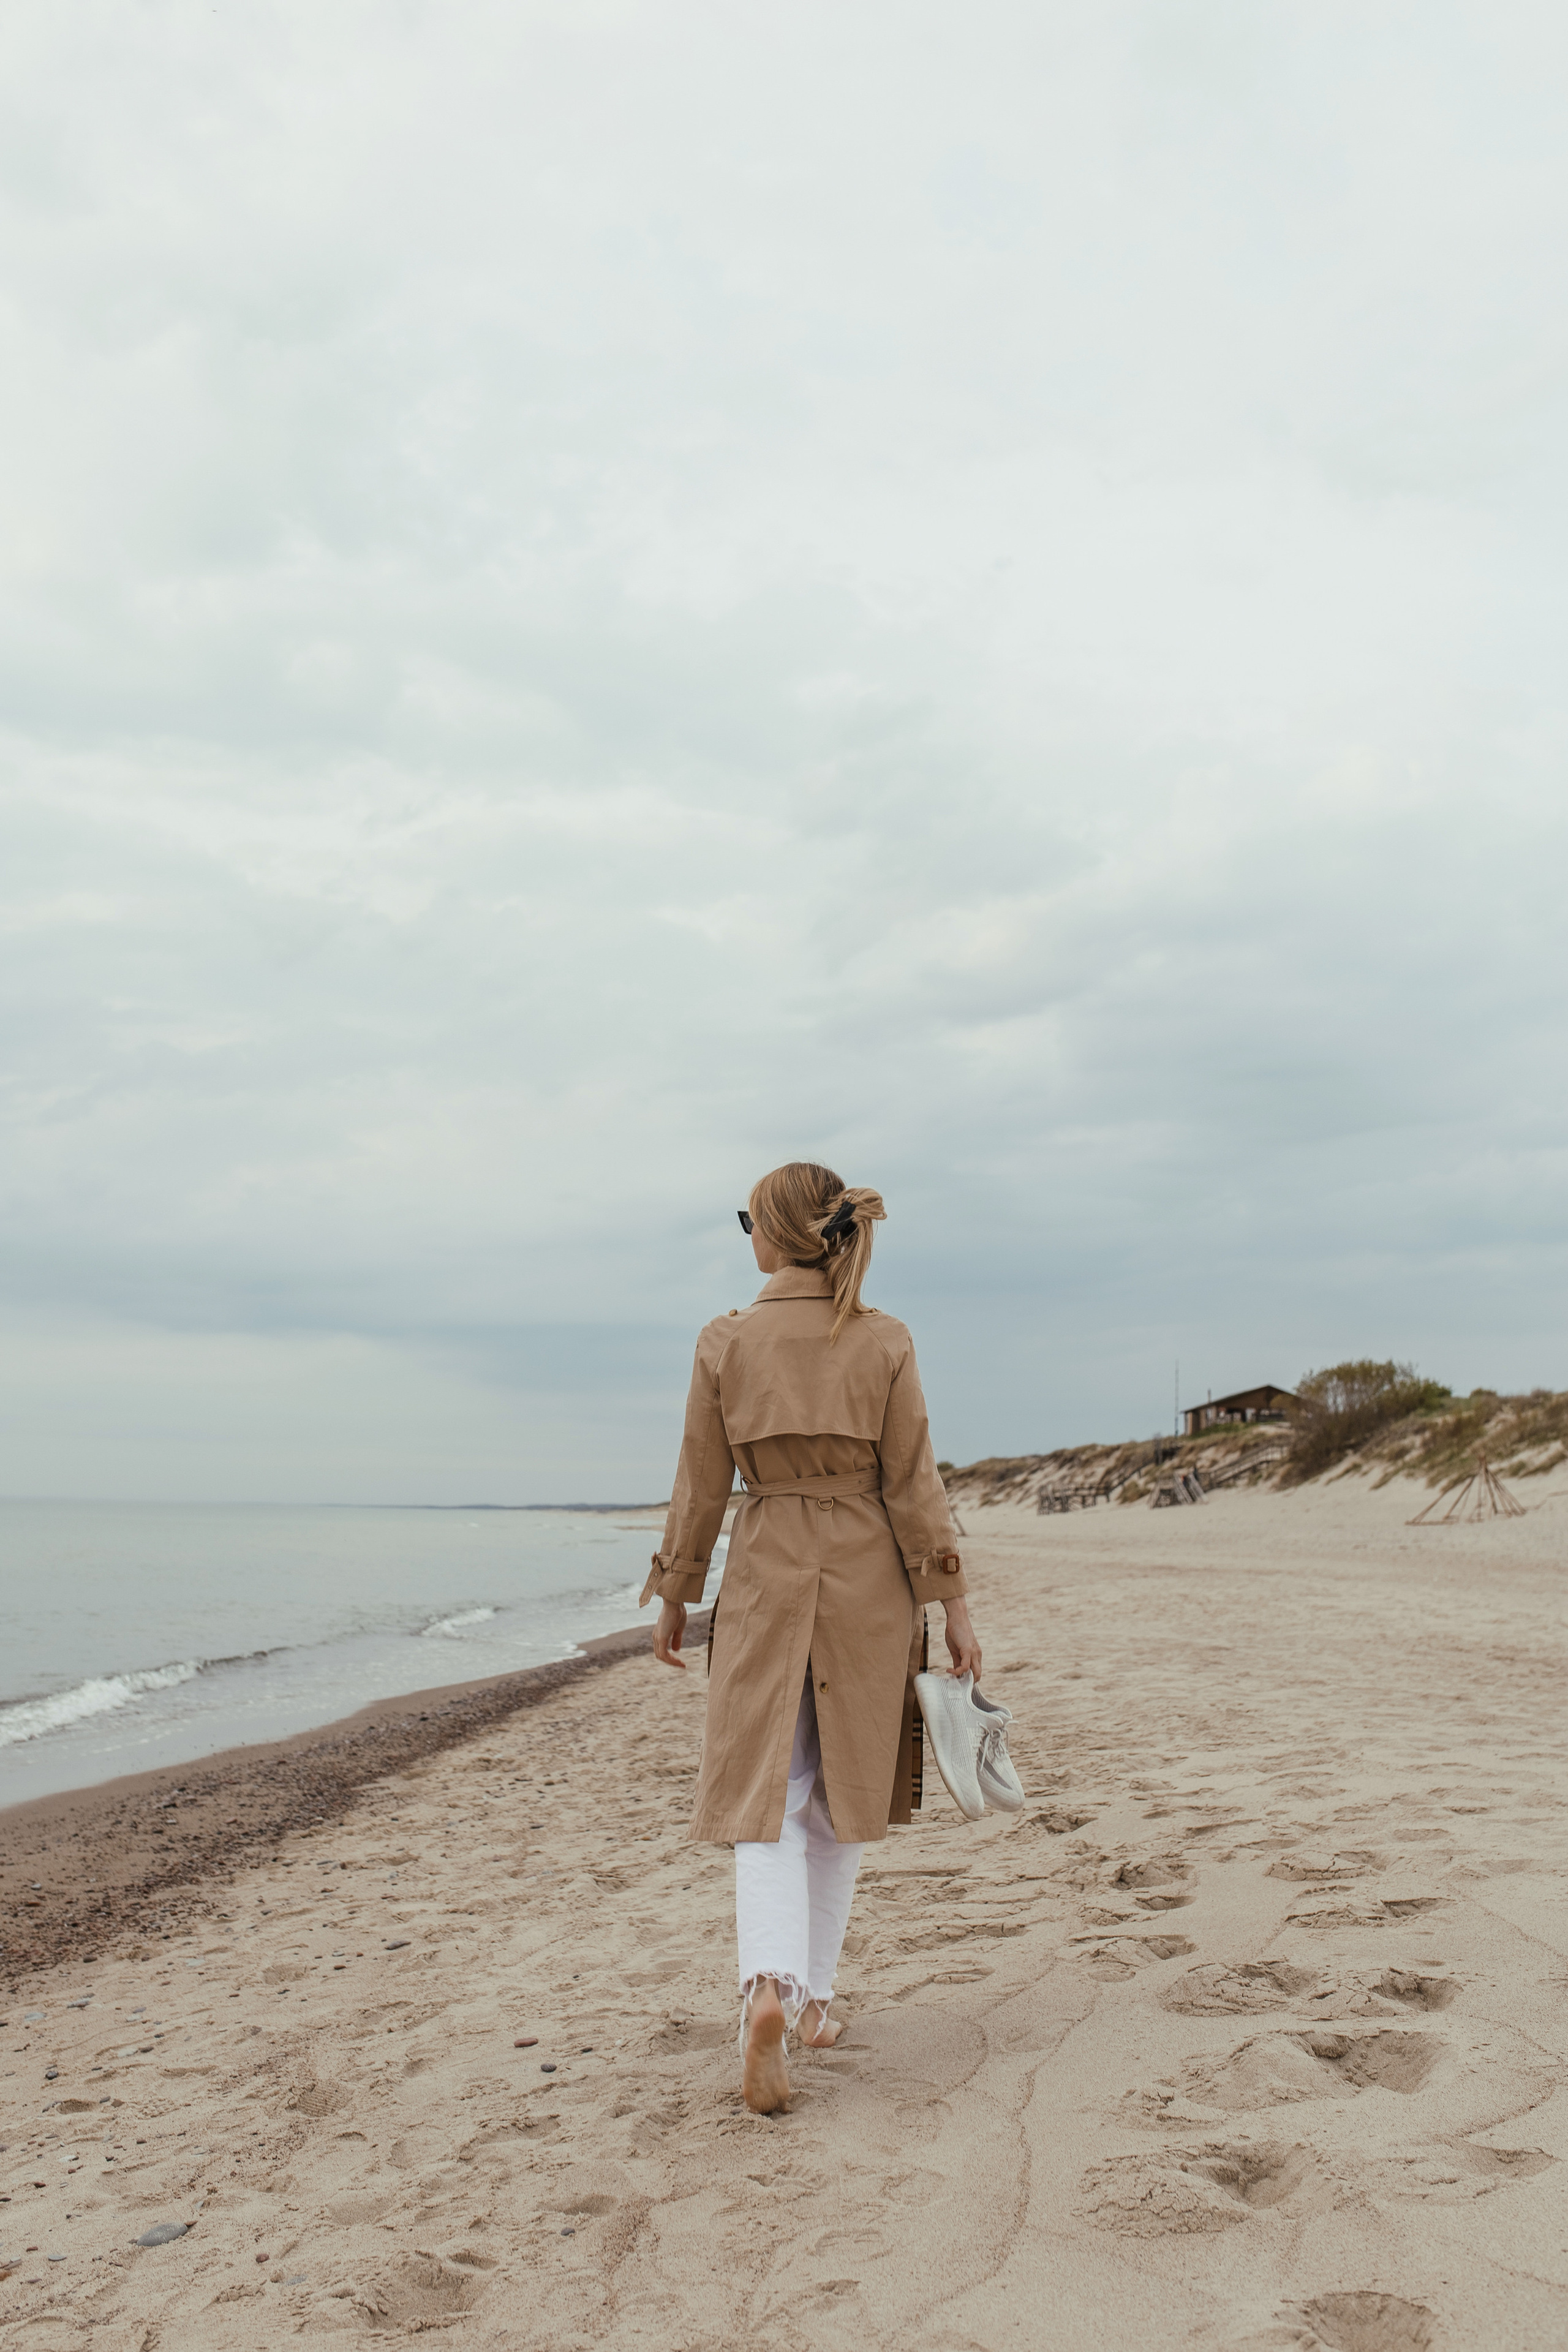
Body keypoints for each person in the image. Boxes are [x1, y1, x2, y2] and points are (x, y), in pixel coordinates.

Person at [641, 1160, 980, 2114]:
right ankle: (813, 2003)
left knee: (767, 1793)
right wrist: (953, 1604)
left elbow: (701, 1483)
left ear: (779, 1232)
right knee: (842, 1795)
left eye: (749, 1219)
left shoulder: (725, 1340)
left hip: (767, 1570)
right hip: (870, 1578)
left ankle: (770, 1989)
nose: (746, 1233)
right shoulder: (884, 1339)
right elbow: (915, 1484)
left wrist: (676, 1592)